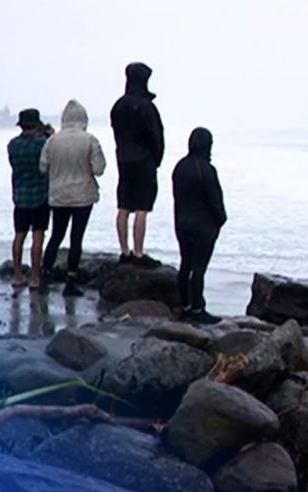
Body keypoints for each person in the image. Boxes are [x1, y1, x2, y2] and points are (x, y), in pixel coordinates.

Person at [39, 100, 106, 297]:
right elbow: (99, 169)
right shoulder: (90, 140)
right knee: (76, 238)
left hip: (58, 195)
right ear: (83, 118)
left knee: (56, 236)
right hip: (83, 196)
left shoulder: (52, 141)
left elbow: (43, 167)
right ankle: (70, 281)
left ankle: (44, 277)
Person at [111, 62, 164, 268]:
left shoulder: (118, 106)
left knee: (123, 206)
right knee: (142, 207)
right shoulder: (147, 106)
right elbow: (156, 136)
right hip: (144, 160)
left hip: (123, 158)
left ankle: (124, 251)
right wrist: (156, 159)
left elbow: (117, 135)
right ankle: (139, 253)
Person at [173, 127, 227, 324]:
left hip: (182, 222)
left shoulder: (180, 167)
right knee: (199, 268)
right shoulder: (207, 170)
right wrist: (221, 219)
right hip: (203, 226)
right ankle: (197, 309)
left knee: (185, 264)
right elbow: (215, 201)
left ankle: (185, 305)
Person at [7, 108, 50, 290]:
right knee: (37, 236)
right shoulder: (42, 144)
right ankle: (34, 277)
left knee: (19, 235)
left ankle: (17, 275)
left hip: (20, 195)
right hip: (40, 195)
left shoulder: (12, 145)